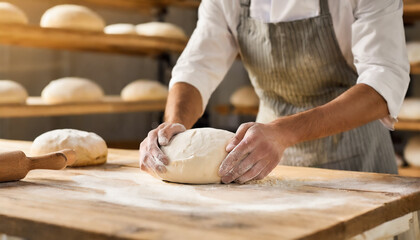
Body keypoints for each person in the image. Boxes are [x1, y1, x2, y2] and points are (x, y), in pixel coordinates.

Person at [139, 0, 410, 184]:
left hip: (357, 161)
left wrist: (284, 131)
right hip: (263, 162)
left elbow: (384, 78)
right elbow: (196, 67)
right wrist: (174, 127)